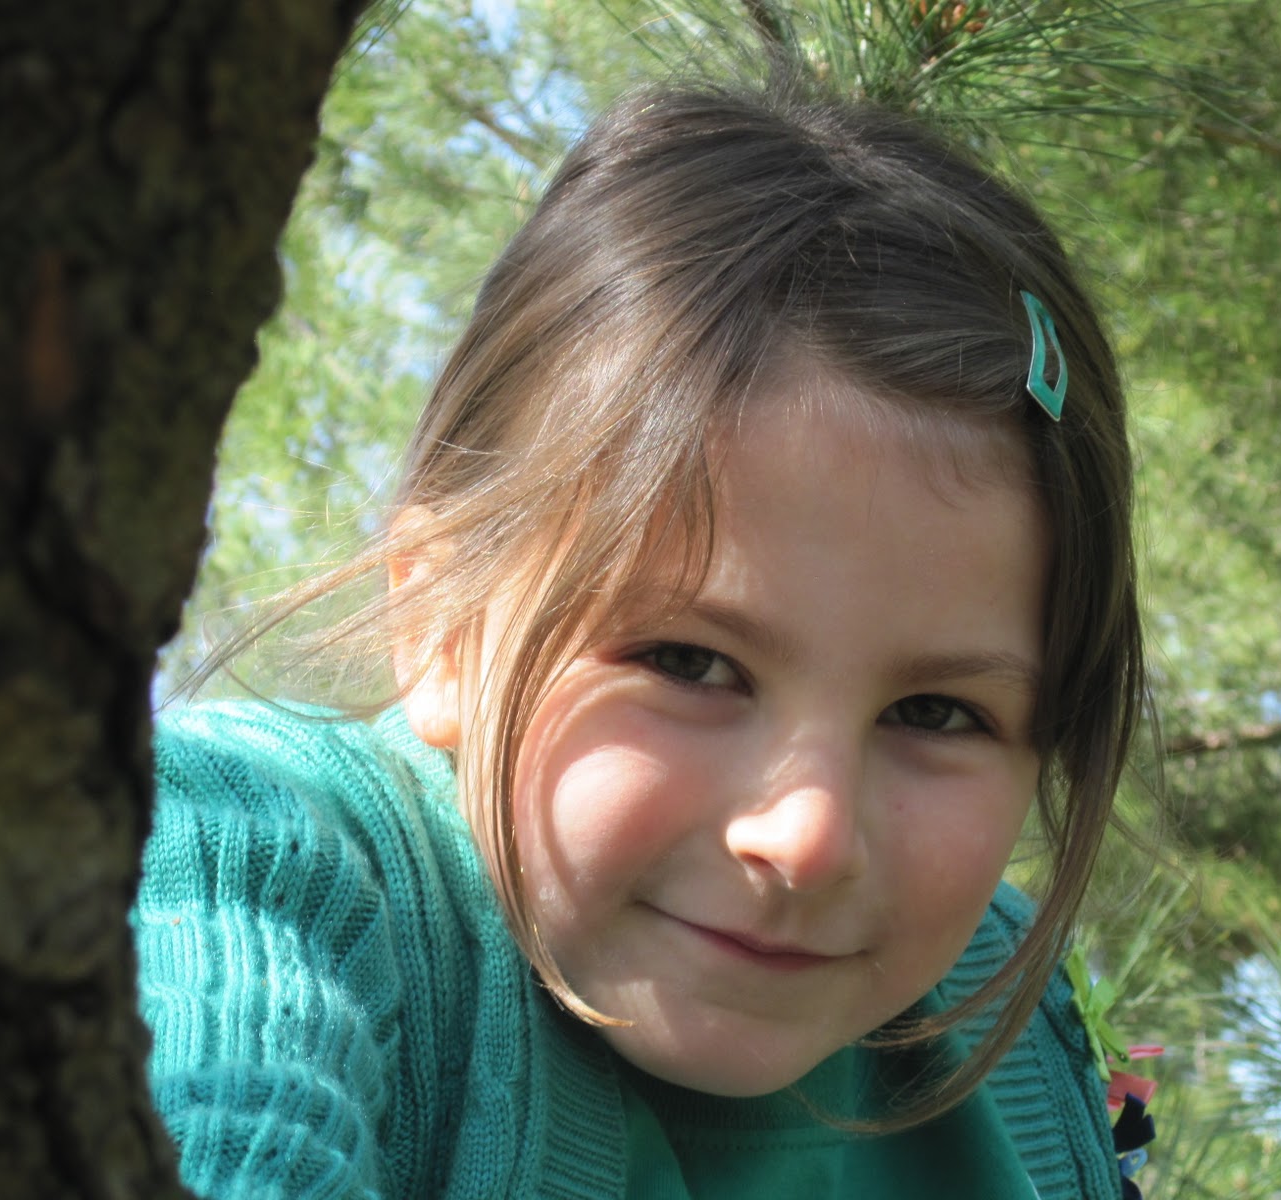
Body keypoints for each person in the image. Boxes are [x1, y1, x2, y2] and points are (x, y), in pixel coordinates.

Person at [133, 75, 1149, 1200]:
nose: (808, 838)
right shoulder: (240, 861)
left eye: (935, 714)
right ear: (441, 619)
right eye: (688, 662)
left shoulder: (1019, 1033)